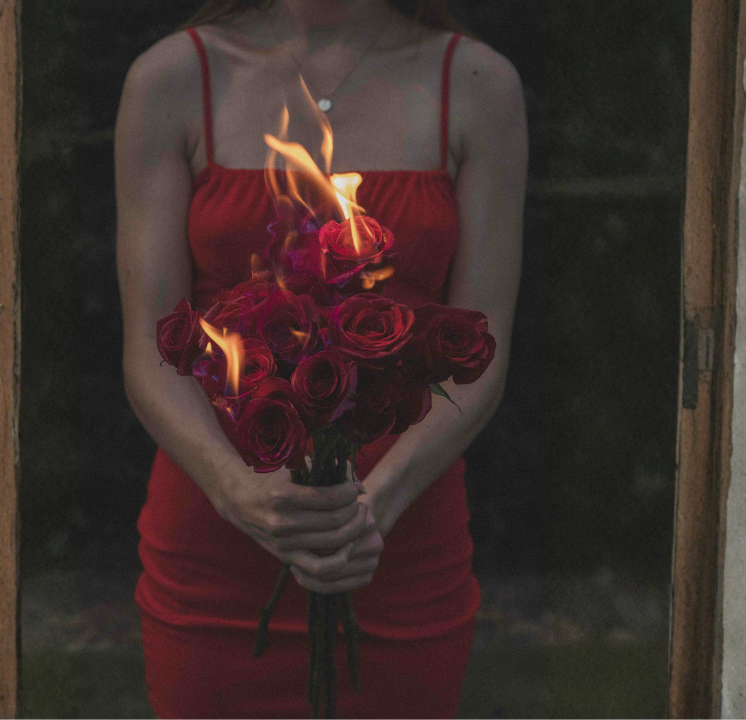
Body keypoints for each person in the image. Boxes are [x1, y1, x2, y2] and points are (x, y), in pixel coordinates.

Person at [115, 0, 526, 716]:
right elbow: (150, 352)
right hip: (214, 556)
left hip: (399, 549)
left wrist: (376, 507)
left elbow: (484, 347)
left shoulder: (478, 84)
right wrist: (238, 492)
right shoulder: (175, 79)